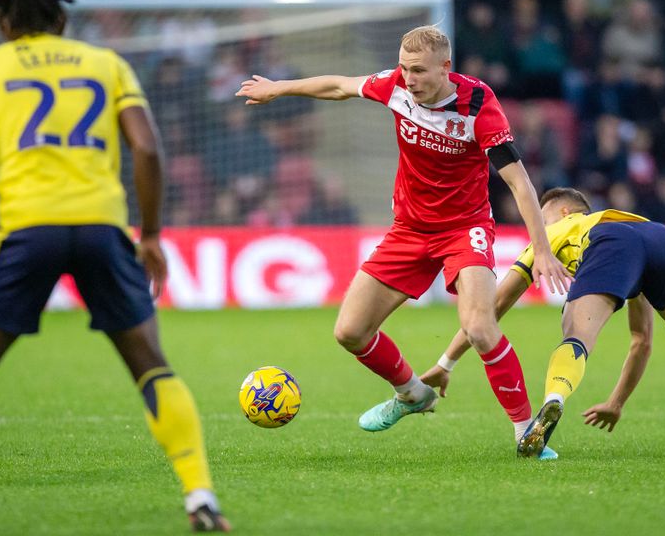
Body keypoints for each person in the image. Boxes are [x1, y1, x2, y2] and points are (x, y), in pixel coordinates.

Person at [0, 0, 230, 532]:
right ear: (62, 18)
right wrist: (152, 233)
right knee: (149, 363)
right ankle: (200, 495)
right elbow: (147, 148)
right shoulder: (106, 64)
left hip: (26, 229)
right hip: (102, 229)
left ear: (6, 22)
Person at [236, 25, 570, 453]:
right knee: (350, 331)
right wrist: (279, 89)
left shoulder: (478, 104)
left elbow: (520, 183)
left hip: (463, 230)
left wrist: (541, 248)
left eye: (417, 70)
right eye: (403, 68)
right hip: (409, 230)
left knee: (480, 327)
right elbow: (339, 86)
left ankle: (528, 433)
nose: (408, 79)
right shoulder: (394, 86)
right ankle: (413, 393)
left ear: (445, 68)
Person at [421, 187, 665, 457]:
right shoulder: (622, 219)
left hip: (609, 245)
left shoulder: (557, 231)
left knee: (575, 333)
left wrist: (446, 361)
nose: (539, 229)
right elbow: (642, 340)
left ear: (561, 213)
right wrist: (616, 403)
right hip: (661, 237)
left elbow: (493, 306)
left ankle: (554, 399)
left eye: (542, 220)